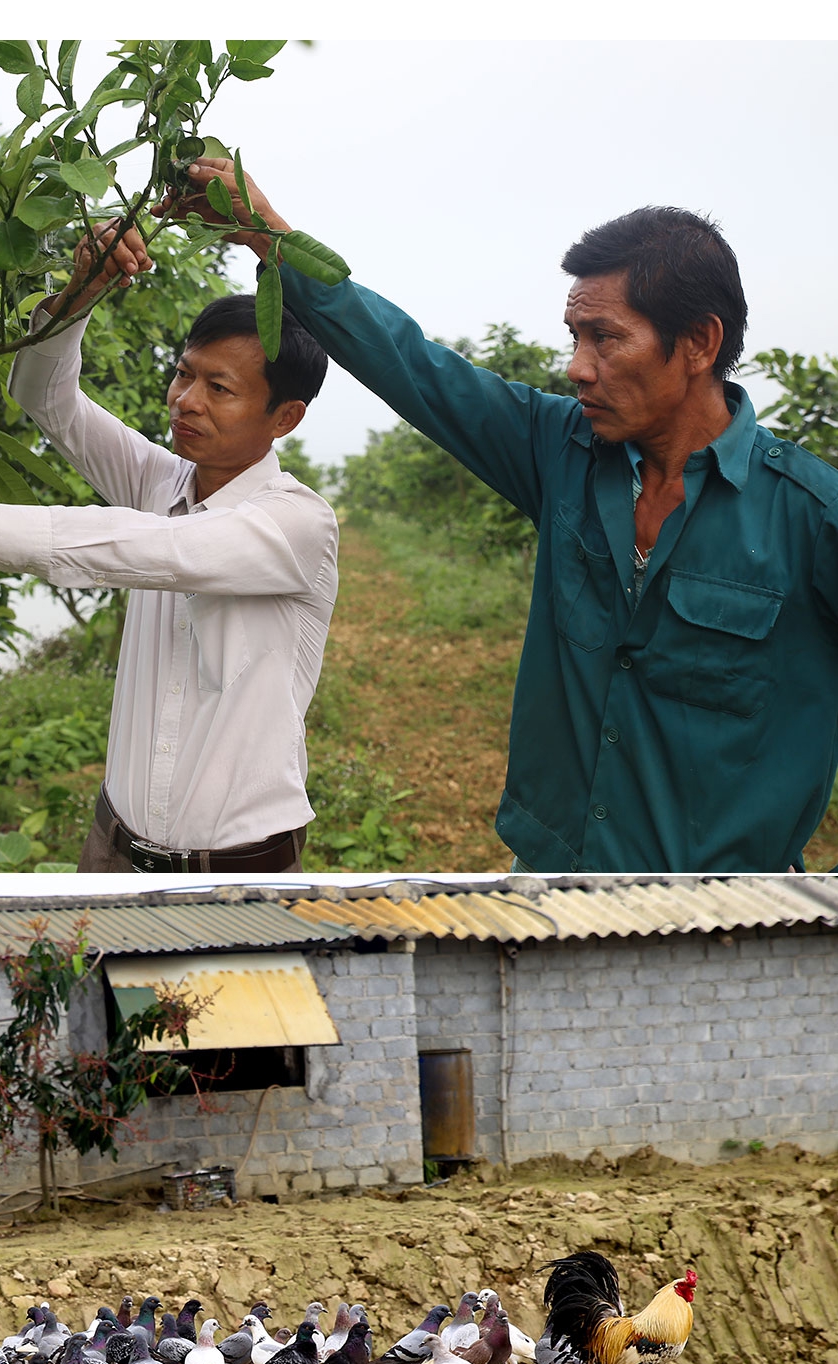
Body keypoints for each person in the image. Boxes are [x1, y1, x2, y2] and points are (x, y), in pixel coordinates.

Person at [171, 159, 838, 871]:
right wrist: (272, 239)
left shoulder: (808, 516)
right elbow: (414, 366)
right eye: (574, 336)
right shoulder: (562, 451)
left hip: (723, 927)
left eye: (605, 338)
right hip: (549, 889)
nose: (579, 366)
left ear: (700, 343)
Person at [0, 223, 338, 872]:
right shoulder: (160, 480)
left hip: (239, 870)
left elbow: (160, 550)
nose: (184, 401)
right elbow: (45, 397)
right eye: (183, 374)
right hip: (111, 847)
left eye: (219, 388)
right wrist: (78, 295)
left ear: (284, 417)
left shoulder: (299, 524)